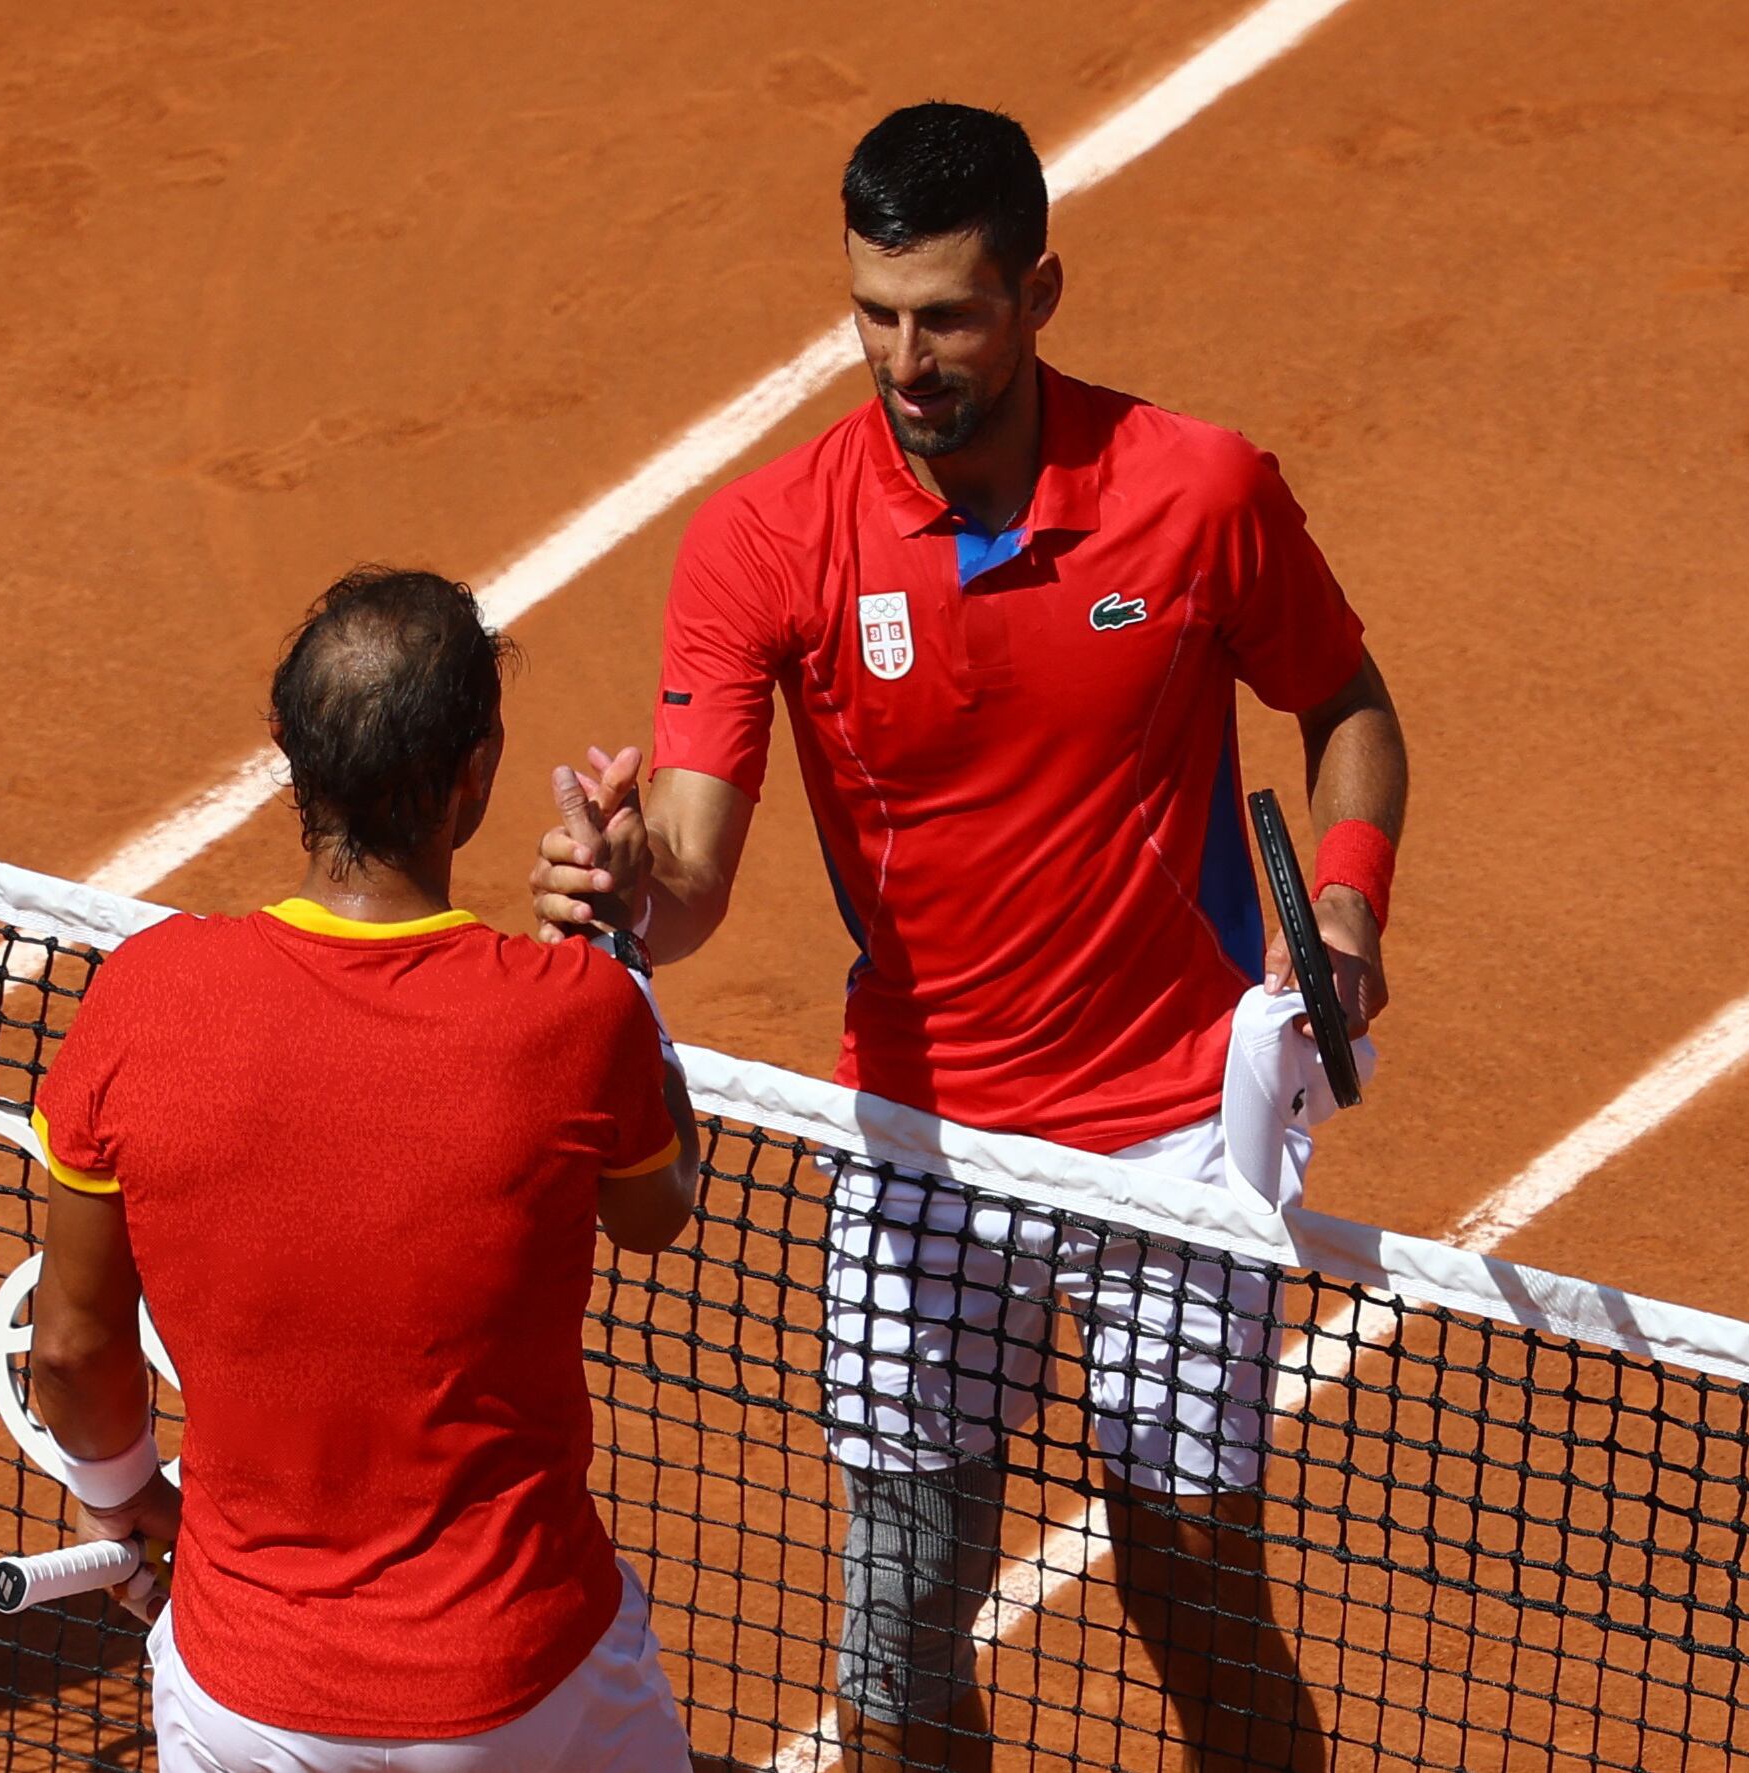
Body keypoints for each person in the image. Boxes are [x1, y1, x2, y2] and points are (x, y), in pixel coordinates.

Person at [530, 104, 1409, 1773]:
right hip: (919, 1146)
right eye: (875, 313)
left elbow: (1346, 706)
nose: (905, 358)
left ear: (1038, 292)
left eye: (946, 315)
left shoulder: (1197, 492)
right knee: (898, 1622)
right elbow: (695, 875)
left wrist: (1348, 894)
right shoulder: (765, 541)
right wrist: (625, 880)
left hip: (1171, 1142)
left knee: (1194, 1591)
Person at [30, 567, 701, 1772]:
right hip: (527, 1687)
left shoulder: (140, 995)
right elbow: (663, 1207)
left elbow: (74, 1353)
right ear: (476, 775)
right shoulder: (575, 1013)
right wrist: (619, 945)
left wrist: (121, 1489)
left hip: (247, 1702)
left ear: (291, 758)